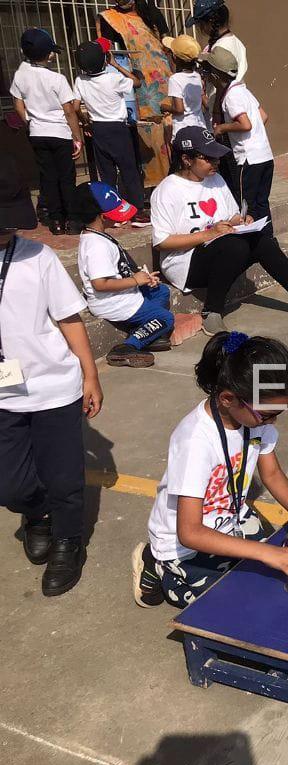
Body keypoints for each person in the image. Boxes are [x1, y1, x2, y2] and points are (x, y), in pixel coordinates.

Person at [131, 331, 288, 608]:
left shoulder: (255, 423)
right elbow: (190, 532)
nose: (271, 423)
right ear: (227, 399)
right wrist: (264, 552)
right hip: (184, 543)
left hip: (231, 517)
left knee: (282, 567)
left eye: (277, 415)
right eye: (267, 415)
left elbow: (271, 473)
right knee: (233, 603)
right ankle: (156, 563)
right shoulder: (195, 441)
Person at [0, 155, 103, 597]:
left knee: (64, 478)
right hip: (5, 393)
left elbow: (69, 319)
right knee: (11, 484)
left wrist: (90, 374)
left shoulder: (37, 257)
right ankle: (34, 512)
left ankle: (67, 541)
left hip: (53, 388)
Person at [150, 126, 288, 335]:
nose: (216, 163)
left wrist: (241, 221)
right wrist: (210, 234)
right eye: (209, 159)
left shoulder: (216, 180)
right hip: (185, 262)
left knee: (262, 240)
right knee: (234, 246)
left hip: (220, 249)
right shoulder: (166, 190)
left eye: (217, 158)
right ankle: (211, 311)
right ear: (186, 159)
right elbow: (162, 242)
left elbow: (231, 216)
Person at [73, 182, 173, 369]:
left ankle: (143, 329)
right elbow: (100, 284)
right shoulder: (96, 246)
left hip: (122, 294)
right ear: (103, 217)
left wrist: (141, 279)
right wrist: (135, 280)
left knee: (161, 292)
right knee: (166, 319)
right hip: (112, 303)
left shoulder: (98, 235)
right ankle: (129, 346)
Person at [10, 28, 85, 236]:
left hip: (37, 133)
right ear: (48, 54)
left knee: (48, 178)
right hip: (60, 133)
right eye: (51, 51)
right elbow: (69, 111)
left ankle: (56, 221)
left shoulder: (20, 75)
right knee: (66, 177)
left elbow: (18, 105)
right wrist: (77, 137)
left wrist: (31, 123)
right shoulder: (57, 79)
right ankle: (73, 219)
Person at [95, 0, 173, 186]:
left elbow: (166, 44)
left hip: (163, 79)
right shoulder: (110, 18)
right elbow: (104, 48)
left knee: (168, 127)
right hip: (137, 83)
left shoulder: (151, 13)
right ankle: (150, 185)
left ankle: (174, 177)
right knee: (146, 132)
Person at [73, 41, 150, 226]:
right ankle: (138, 212)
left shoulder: (80, 81)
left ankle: (112, 212)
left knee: (107, 173)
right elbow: (137, 82)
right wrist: (115, 65)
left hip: (98, 129)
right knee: (129, 171)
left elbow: (75, 107)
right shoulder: (114, 79)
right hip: (118, 129)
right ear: (104, 59)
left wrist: (85, 122)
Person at [200, 48, 275, 226]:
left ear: (217, 75)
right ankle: (267, 240)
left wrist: (223, 129)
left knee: (247, 207)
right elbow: (263, 116)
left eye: (208, 71)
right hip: (264, 155)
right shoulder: (243, 90)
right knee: (261, 204)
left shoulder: (231, 96)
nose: (207, 76)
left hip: (248, 159)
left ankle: (255, 244)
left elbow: (245, 124)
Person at [188, 0, 248, 202]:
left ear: (211, 21)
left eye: (201, 23)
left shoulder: (225, 47)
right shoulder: (222, 42)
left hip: (223, 114)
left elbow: (224, 85)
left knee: (232, 179)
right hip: (219, 112)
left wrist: (216, 116)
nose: (200, 29)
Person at [161, 34, 207, 141]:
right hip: (199, 126)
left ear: (175, 57)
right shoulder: (197, 76)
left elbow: (179, 109)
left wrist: (165, 107)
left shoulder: (175, 79)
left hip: (183, 130)